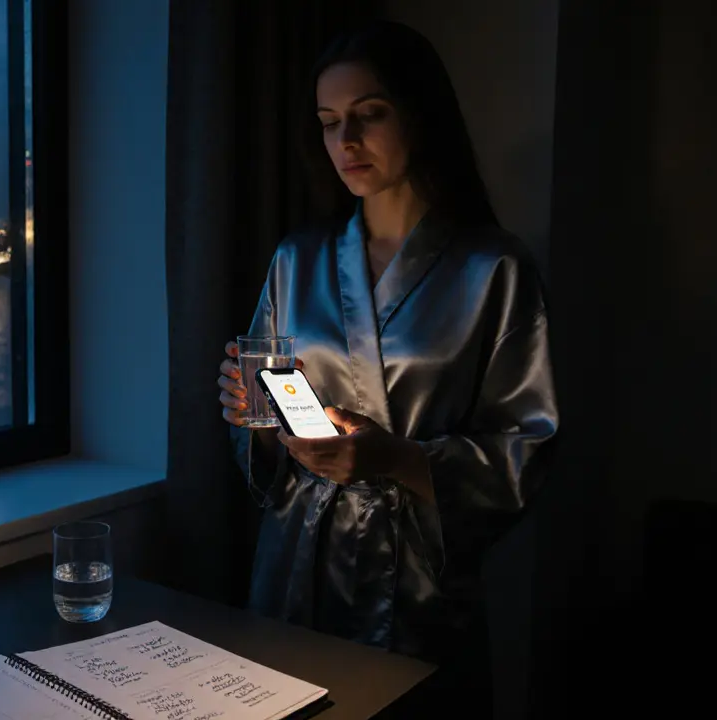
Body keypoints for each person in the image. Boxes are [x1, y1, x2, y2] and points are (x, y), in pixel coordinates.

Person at [217, 21, 558, 709]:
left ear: (419, 114)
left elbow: (526, 445)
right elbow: (268, 445)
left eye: (369, 115)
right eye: (328, 121)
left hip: (416, 586)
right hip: (296, 567)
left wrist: (396, 459)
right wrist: (250, 414)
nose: (346, 141)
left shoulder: (493, 268)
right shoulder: (297, 260)